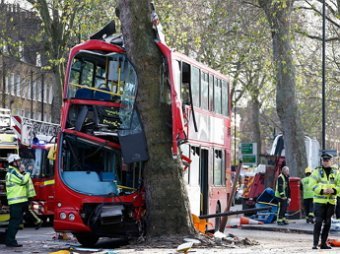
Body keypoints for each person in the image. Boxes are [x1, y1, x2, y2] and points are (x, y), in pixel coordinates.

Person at [310, 153, 340, 250]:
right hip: (319, 202)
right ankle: (315, 244)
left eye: (327, 160)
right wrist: (322, 190)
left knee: (327, 223)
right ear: (321, 161)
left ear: (331, 161)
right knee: (318, 222)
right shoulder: (316, 171)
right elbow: (312, 185)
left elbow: (339, 185)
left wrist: (334, 190)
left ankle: (323, 243)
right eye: (324, 160)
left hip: (330, 202)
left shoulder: (336, 172)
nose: (325, 162)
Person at [5, 154, 30, 247]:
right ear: (13, 162)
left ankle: (9, 239)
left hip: (17, 201)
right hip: (16, 202)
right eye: (18, 161)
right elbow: (23, 180)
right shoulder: (13, 172)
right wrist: (26, 172)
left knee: (15, 221)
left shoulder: (13, 171)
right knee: (15, 222)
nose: (20, 162)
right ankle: (10, 241)